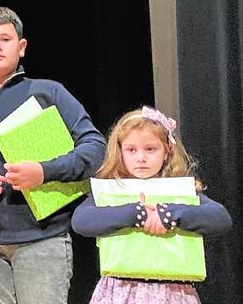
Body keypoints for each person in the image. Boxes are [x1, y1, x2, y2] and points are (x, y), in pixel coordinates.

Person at [0, 6, 106, 304]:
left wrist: (44, 171)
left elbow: (94, 148)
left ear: (22, 47)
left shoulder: (48, 93)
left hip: (43, 239)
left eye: (6, 38)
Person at [71, 106, 233, 304]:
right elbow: (81, 221)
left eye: (150, 149)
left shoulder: (178, 189)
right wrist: (137, 213)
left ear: (167, 151)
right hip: (120, 290)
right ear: (120, 152)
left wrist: (168, 214)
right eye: (131, 150)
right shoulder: (112, 190)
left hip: (172, 290)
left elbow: (220, 217)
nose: (141, 158)